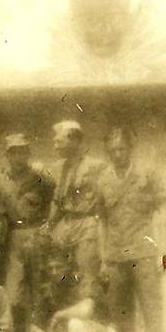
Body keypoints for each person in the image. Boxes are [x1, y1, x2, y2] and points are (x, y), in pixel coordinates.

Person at [97, 125, 166, 332]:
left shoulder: (147, 176)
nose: (118, 154)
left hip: (145, 254)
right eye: (112, 150)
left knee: (152, 313)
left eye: (122, 149)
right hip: (116, 257)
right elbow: (101, 221)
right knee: (121, 316)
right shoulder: (103, 181)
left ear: (130, 149)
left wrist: (165, 255)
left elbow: (163, 214)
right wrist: (103, 259)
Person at [46, 120, 106, 311]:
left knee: (87, 275)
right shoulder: (58, 168)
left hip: (87, 224)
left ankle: (88, 317)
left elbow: (104, 202)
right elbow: (58, 202)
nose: (55, 145)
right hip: (66, 226)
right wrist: (48, 227)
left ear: (74, 140)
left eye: (59, 141)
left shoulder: (96, 166)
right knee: (62, 276)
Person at [1, 133, 55, 332]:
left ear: (28, 154)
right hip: (12, 237)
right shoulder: (1, 179)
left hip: (35, 235)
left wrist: (46, 228)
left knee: (38, 290)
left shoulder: (40, 177)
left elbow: (55, 199)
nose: (18, 157)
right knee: (13, 293)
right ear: (7, 155)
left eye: (22, 152)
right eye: (13, 152)